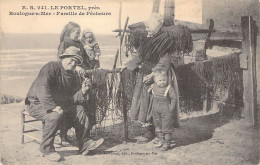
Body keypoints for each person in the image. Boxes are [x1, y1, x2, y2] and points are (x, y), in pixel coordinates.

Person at [25, 46, 104, 162]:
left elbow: (71, 99)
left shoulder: (73, 75)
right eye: (71, 60)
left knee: (80, 109)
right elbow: (42, 88)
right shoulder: (50, 67)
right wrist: (52, 107)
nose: (72, 63)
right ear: (63, 58)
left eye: (76, 62)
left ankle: (84, 143)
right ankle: (47, 149)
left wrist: (83, 91)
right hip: (36, 103)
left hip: (58, 104)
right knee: (54, 116)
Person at [148, 69, 177, 151]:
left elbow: (174, 98)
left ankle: (167, 143)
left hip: (166, 110)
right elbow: (149, 93)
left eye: (164, 80)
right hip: (156, 109)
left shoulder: (169, 87)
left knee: (167, 127)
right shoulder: (153, 86)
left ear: (167, 79)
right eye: (160, 80)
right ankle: (161, 140)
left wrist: (171, 108)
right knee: (158, 126)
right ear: (155, 80)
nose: (162, 82)